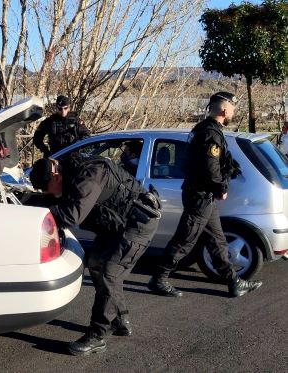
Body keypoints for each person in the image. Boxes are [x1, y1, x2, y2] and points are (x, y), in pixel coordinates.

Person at [29, 154, 161, 356]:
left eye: (46, 188)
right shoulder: (69, 172)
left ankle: (97, 335)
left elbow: (71, 215)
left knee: (109, 273)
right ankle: (120, 320)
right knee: (96, 265)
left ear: (55, 175)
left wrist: (38, 213)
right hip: (116, 226)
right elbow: (57, 199)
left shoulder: (89, 175)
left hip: (137, 225)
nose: (47, 193)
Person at [147, 91, 262, 298]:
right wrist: (222, 188)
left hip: (203, 197)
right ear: (224, 110)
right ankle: (158, 278)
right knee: (185, 240)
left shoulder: (203, 129)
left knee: (216, 241)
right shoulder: (210, 133)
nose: (234, 112)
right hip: (200, 196)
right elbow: (210, 167)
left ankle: (233, 282)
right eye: (233, 108)